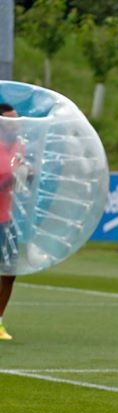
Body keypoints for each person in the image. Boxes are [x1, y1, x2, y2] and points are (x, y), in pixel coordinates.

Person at [0, 103, 24, 341]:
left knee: (10, 273)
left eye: (17, 120)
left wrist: (27, 176)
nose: (15, 125)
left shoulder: (19, 147)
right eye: (10, 121)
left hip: (6, 220)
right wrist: (6, 182)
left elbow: (18, 183)